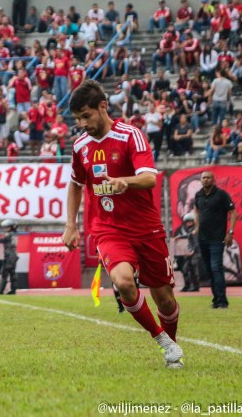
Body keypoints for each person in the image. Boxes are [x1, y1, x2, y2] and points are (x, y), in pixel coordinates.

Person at [63, 80, 184, 369]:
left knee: (165, 300)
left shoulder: (132, 136)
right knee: (123, 282)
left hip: (146, 228)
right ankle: (164, 343)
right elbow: (76, 183)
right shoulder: (80, 146)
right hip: (109, 229)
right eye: (77, 119)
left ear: (103, 107)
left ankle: (173, 346)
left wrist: (124, 182)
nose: (81, 124)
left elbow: (149, 178)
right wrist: (71, 224)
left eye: (86, 116)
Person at [194, 171, 237, 309]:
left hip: (217, 238)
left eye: (208, 177)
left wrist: (230, 232)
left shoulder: (221, 194)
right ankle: (216, 299)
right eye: (203, 178)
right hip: (202, 238)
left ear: (213, 180)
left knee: (216, 268)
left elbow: (233, 213)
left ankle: (222, 300)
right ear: (201, 180)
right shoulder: (198, 194)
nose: (206, 180)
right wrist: (196, 228)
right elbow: (196, 211)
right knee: (209, 270)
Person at [174, 213, 201, 292]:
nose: (189, 223)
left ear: (193, 222)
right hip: (189, 252)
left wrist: (193, 251)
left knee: (193, 269)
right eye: (187, 222)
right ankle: (187, 285)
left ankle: (196, 286)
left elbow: (196, 242)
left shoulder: (195, 230)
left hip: (195, 253)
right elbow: (188, 236)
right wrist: (179, 237)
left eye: (190, 221)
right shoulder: (190, 230)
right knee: (185, 269)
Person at [0, 219, 19, 295]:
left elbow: (0, 240)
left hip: (9, 256)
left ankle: (0, 290)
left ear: (11, 227)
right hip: (14, 255)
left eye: (6, 227)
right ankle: (13, 290)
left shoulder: (9, 234)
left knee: (4, 274)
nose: (5, 229)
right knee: (12, 274)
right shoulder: (15, 234)